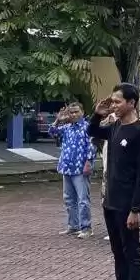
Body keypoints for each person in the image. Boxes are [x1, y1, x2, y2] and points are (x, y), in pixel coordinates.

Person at [89, 83, 140, 280]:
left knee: (132, 253)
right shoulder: (115, 126)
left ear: (131, 103)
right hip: (111, 201)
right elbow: (92, 131)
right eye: (112, 101)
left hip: (127, 204)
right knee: (118, 253)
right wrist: (97, 114)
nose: (113, 105)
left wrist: (136, 209)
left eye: (117, 101)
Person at [51, 102, 95, 238]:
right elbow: (52, 132)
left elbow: (91, 146)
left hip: (80, 168)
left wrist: (88, 162)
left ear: (82, 112)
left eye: (76, 112)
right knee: (69, 199)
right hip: (67, 167)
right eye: (71, 112)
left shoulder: (87, 127)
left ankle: (86, 228)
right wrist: (58, 120)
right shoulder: (67, 127)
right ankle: (73, 226)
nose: (74, 114)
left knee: (83, 199)